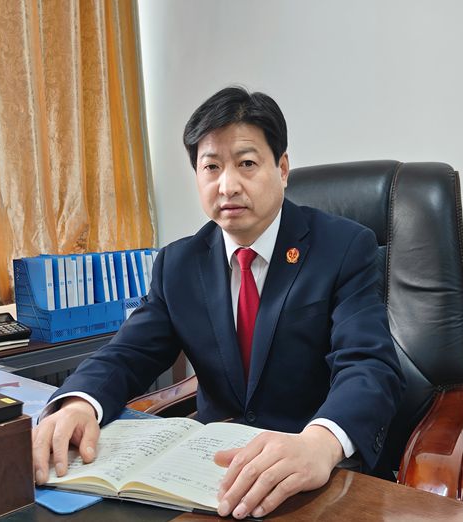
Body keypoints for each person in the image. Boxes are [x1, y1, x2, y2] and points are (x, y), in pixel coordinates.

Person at [32, 86, 405, 519]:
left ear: (282, 168)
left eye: (247, 163)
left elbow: (368, 365)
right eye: (211, 167)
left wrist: (320, 443)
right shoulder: (178, 263)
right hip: (212, 474)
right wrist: (79, 402)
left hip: (313, 472)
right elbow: (128, 354)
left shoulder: (343, 247)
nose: (228, 185)